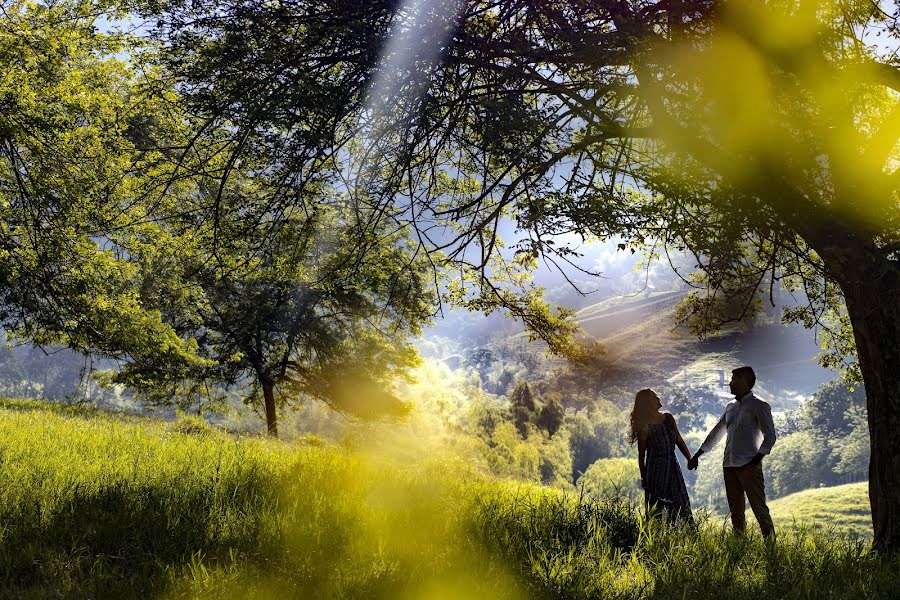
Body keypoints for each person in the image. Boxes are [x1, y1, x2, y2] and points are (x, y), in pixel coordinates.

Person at [688, 366, 777, 539]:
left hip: (749, 466)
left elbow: (770, 436)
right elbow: (716, 433)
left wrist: (756, 459)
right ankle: (739, 547)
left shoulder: (760, 406)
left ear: (745, 381)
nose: (730, 383)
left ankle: (772, 548)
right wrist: (697, 455)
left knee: (759, 509)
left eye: (734, 379)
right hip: (729, 466)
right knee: (736, 512)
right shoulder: (730, 407)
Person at [629, 388, 694, 523]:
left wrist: (690, 458)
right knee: (657, 509)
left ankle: (686, 535)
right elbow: (641, 455)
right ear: (648, 403)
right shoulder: (645, 428)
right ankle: (658, 540)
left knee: (681, 503)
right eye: (654, 397)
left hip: (672, 466)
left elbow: (679, 440)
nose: (658, 398)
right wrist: (644, 477)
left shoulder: (668, 418)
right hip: (656, 470)